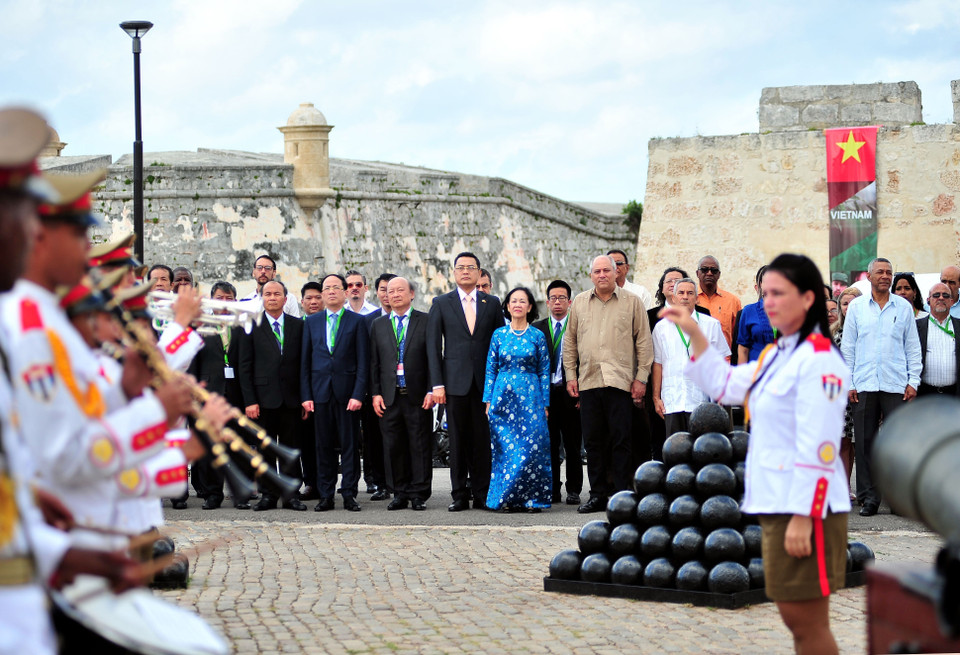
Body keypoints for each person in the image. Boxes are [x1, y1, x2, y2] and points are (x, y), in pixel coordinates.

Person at [662, 253, 850, 655]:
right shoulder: (776, 356)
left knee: (808, 622)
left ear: (808, 299)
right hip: (776, 502)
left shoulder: (820, 361)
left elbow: (822, 444)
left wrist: (804, 514)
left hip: (807, 509)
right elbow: (724, 382)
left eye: (779, 293)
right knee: (793, 617)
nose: (769, 302)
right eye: (765, 293)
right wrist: (694, 331)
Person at [564, 255, 653, 513]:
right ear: (591, 275)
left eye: (607, 270)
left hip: (621, 383)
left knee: (621, 440)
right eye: (597, 271)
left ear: (617, 273)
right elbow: (570, 343)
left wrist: (641, 378)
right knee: (593, 442)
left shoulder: (632, 302)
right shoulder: (580, 303)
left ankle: (622, 494)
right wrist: (571, 375)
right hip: (589, 381)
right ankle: (597, 494)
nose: (602, 275)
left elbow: (644, 343)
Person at [840, 257, 921, 517]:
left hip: (896, 383)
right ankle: (869, 498)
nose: (885, 276)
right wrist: (849, 382)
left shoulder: (904, 308)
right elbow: (848, 348)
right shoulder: (857, 308)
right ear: (869, 276)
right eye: (880, 272)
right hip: (863, 383)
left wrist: (913, 381)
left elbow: (913, 348)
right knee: (864, 442)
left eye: (889, 272)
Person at [427, 252, 502, 511]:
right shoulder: (441, 303)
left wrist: (498, 383)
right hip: (454, 383)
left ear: (480, 272)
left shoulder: (491, 303)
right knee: (457, 441)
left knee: (482, 440)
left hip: (485, 384)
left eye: (471, 268)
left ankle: (482, 493)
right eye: (461, 268)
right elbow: (433, 347)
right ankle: (459, 493)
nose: (466, 272)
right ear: (454, 273)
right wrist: (437, 384)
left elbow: (499, 344)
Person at [301, 273, 369, 512]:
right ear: (322, 293)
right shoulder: (311, 322)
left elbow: (363, 362)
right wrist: (306, 396)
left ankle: (349, 494)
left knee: (350, 446)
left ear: (344, 292)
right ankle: (326, 494)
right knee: (323, 447)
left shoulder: (357, 322)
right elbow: (305, 362)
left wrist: (358, 394)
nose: (331, 291)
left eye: (335, 287)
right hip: (320, 395)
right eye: (326, 288)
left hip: (347, 394)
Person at [238, 280, 307, 511]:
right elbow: (244, 367)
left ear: (285, 299)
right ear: (262, 299)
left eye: (277, 294)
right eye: (268, 294)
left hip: (291, 398)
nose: (272, 297)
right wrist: (250, 401)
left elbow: (304, 365)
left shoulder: (298, 326)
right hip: (262, 400)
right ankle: (268, 495)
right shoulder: (251, 326)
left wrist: (305, 397)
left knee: (290, 449)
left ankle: (290, 495)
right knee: (265, 450)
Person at [369, 277, 434, 510]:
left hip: (417, 394)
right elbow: (374, 363)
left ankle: (419, 494)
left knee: (419, 445)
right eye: (389, 291)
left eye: (400, 290)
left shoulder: (426, 321)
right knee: (393, 446)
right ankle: (400, 492)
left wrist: (431, 389)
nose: (394, 294)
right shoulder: (379, 324)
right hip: (389, 395)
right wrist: (375, 394)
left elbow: (433, 358)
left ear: (412, 294)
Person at [484, 287, 551, 512]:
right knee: (506, 449)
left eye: (523, 301)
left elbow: (544, 370)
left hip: (531, 398)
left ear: (530, 306)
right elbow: (491, 369)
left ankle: (533, 499)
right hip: (503, 398)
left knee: (532, 448)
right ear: (507, 305)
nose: (518, 305)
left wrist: (545, 403)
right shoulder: (498, 335)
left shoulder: (537, 336)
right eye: (514, 301)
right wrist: (488, 400)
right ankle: (508, 498)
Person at [187, 281, 249, 509]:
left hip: (237, 396)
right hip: (209, 396)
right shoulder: (200, 327)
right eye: (220, 297)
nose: (224, 302)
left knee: (237, 447)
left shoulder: (243, 327)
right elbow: (193, 364)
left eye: (229, 298)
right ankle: (213, 494)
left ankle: (240, 494)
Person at [651, 278, 729, 435]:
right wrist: (656, 397)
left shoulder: (711, 324)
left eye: (690, 293)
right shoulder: (661, 327)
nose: (685, 297)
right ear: (673, 297)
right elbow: (658, 363)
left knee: (702, 450)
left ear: (696, 298)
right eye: (681, 293)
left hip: (702, 400)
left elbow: (723, 359)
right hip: (672, 399)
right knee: (675, 451)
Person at [533, 280, 583, 505]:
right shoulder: (538, 329)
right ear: (547, 302)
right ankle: (552, 488)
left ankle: (574, 490)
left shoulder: (578, 326)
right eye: (553, 298)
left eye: (562, 298)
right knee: (549, 444)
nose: (557, 302)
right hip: (546, 394)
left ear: (570, 302)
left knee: (573, 444)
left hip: (571, 391)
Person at [360, 273, 397, 499]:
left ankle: (403, 484)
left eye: (391, 289)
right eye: (383, 289)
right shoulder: (367, 321)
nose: (387, 294)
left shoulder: (413, 318)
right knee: (375, 440)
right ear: (377, 292)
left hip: (403, 389)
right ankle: (381, 484)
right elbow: (367, 359)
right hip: (376, 391)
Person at [831, 286, 860, 501]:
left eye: (853, 303)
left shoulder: (867, 331)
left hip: (862, 392)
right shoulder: (833, 332)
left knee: (863, 443)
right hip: (840, 396)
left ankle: (866, 489)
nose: (849, 307)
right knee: (843, 443)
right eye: (845, 303)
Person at [916, 282, 960, 396]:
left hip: (954, 394)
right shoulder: (916, 327)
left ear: (951, 301)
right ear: (928, 300)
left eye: (945, 295)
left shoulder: (959, 326)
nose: (941, 298)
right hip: (924, 394)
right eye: (936, 295)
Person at [696, 255, 742, 349]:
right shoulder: (689, 299)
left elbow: (738, 336)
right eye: (704, 269)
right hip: (696, 359)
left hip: (724, 360)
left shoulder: (732, 301)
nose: (709, 273)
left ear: (719, 274)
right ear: (697, 273)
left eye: (714, 270)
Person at [736, 265, 777, 363]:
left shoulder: (789, 311)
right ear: (760, 285)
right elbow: (743, 350)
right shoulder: (749, 311)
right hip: (756, 371)